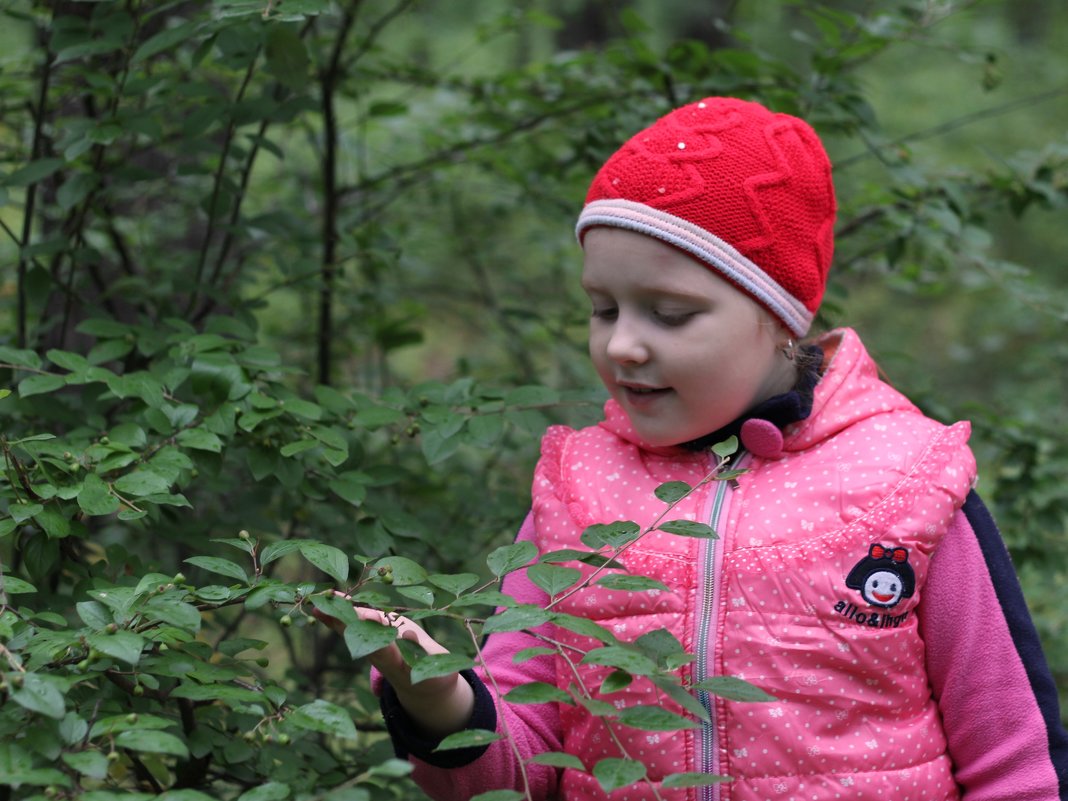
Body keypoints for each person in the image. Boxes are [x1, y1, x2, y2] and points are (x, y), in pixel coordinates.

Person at [318, 97, 1068, 800]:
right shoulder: (579, 492)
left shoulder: (907, 483)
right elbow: (516, 772)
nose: (622, 344)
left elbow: (1017, 762)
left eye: (671, 314)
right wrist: (437, 698)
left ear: (782, 317)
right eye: (602, 308)